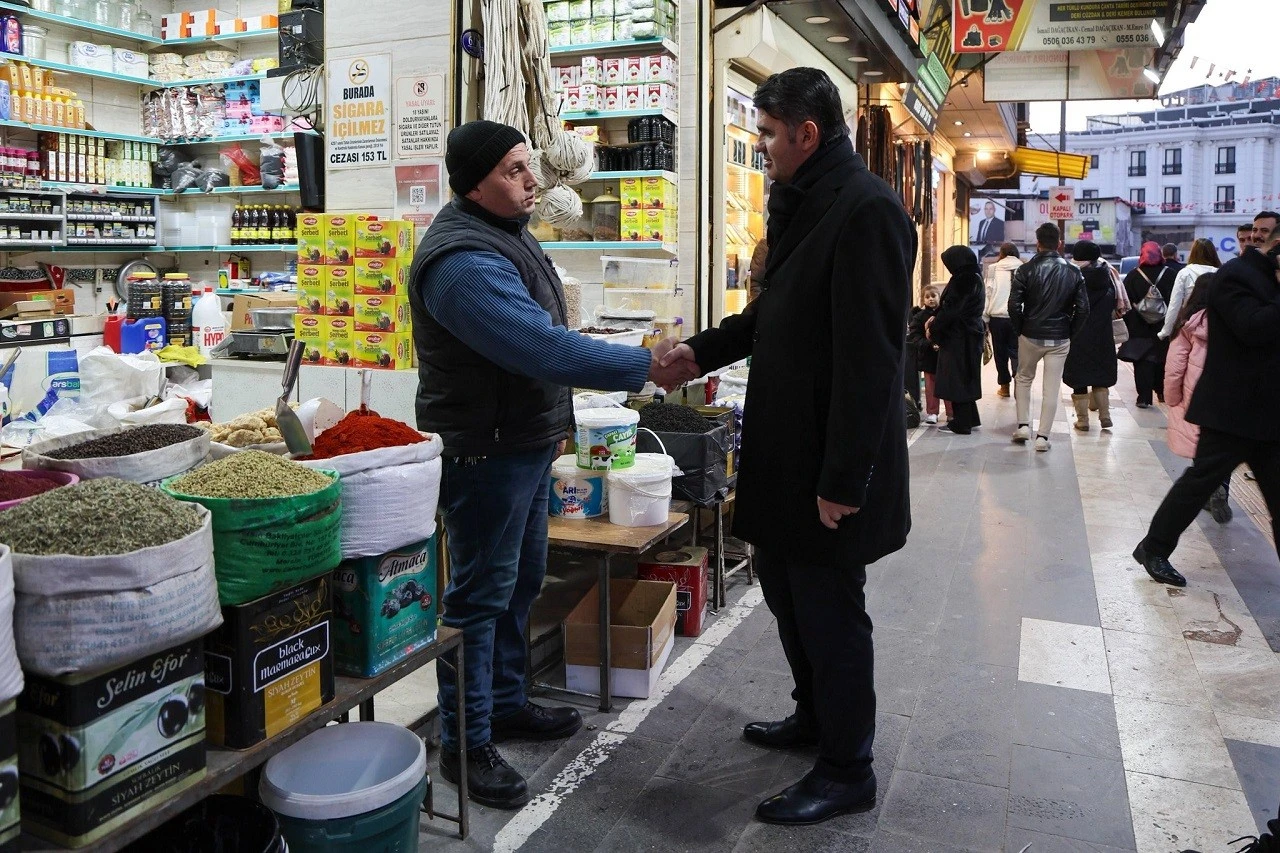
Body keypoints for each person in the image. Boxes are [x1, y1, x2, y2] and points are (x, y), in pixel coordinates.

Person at [408, 120, 698, 809]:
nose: (531, 179)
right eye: (513, 170)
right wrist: (642, 365)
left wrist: (563, 417)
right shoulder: (462, 262)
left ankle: (507, 702)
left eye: (528, 165)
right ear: (473, 184)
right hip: (485, 451)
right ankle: (465, 743)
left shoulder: (505, 231)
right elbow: (540, 347)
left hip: (524, 441)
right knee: (478, 597)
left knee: (519, 582)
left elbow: (546, 340)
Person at [660, 67, 915, 826]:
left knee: (830, 609)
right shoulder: (800, 199)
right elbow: (770, 315)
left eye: (769, 133)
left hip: (826, 461)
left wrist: (844, 479)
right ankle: (815, 715)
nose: (762, 145)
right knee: (784, 587)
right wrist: (698, 353)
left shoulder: (867, 209)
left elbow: (872, 361)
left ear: (807, 133)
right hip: (783, 448)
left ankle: (847, 769)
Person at [1133, 231, 1280, 587]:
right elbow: (1252, 327)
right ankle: (1153, 547)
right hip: (1232, 408)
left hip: (1269, 410)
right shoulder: (1235, 275)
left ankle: (1153, 547)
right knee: (1200, 482)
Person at [1008, 222, 1089, 451]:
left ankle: (1023, 426)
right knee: (1051, 388)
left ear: (1038, 244)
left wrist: (1021, 328)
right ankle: (1042, 438)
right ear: (1059, 243)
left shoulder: (1025, 270)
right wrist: (1070, 332)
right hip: (1059, 338)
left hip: (1030, 334)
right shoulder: (1074, 272)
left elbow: (1013, 305)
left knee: (1024, 378)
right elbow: (1083, 309)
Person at [1162, 271, 1233, 525]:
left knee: (1200, 444)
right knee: (1224, 445)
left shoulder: (1188, 324)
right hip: (1227, 394)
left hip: (1196, 395)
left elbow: (1175, 366)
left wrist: (1172, 397)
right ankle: (1222, 486)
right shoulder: (1234, 321)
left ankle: (1208, 489)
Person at [1062, 240, 1118, 431]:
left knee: (1078, 378)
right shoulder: (1107, 276)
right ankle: (1105, 416)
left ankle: (1083, 420)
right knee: (1101, 375)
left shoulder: (1072, 277)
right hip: (1103, 335)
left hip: (1078, 334)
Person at [929, 246, 985, 434]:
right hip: (969, 335)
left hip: (959, 337)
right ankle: (970, 418)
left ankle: (961, 423)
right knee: (965, 377)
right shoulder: (974, 276)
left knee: (956, 378)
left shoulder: (963, 280)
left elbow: (951, 310)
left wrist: (934, 328)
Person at [1121, 241, 1177, 408]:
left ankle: (1144, 397)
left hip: (1139, 326)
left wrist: (1129, 322)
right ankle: (1161, 392)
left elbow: (1125, 302)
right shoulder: (1170, 274)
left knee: (1141, 361)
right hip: (1164, 325)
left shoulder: (1133, 275)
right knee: (1162, 359)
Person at [1159, 238, 1220, 341]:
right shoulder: (1220, 273)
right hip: (1215, 327)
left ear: (1193, 253)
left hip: (1189, 326)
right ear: (1213, 253)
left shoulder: (1185, 273)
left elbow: (1174, 304)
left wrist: (1166, 331)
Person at [984, 242, 1022, 397]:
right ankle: (1020, 386)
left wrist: (985, 318)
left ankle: (1004, 387)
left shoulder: (993, 269)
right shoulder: (1024, 269)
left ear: (1002, 254)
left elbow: (987, 293)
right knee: (1017, 352)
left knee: (1000, 353)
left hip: (997, 317)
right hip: (1017, 317)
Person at [907, 285, 946, 424]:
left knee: (947, 385)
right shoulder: (919, 317)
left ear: (939, 297)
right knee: (930, 387)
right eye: (927, 297)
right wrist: (928, 344)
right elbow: (915, 336)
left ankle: (951, 412)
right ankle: (932, 412)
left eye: (933, 296)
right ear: (923, 299)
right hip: (928, 357)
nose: (931, 299)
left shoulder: (945, 314)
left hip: (945, 355)